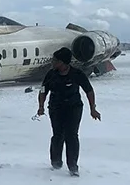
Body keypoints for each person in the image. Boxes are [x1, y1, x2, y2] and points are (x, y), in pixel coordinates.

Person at [37, 47, 101, 177]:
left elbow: (89, 90)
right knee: (57, 135)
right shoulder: (51, 74)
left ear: (63, 62)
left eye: (55, 60)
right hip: (56, 108)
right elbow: (43, 90)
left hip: (74, 108)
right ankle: (56, 163)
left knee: (71, 136)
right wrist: (41, 106)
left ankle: (73, 166)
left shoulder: (77, 74)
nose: (52, 62)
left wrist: (92, 108)